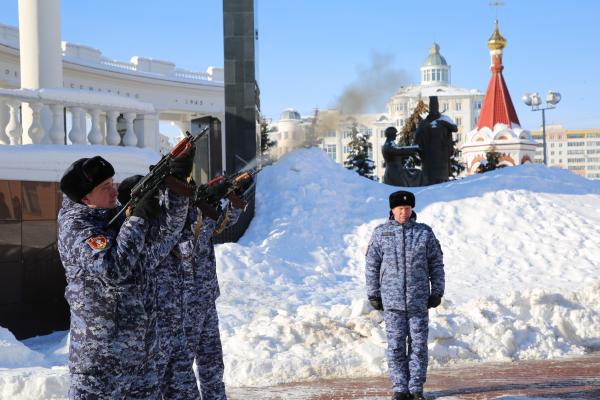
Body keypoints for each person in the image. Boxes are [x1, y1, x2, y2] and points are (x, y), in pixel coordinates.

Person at [57, 155, 191, 399]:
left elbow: (167, 233)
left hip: (142, 359)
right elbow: (113, 268)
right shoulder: (76, 227)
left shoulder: (117, 215)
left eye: (112, 182)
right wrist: (138, 218)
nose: (114, 190)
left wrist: (177, 187)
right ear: (86, 199)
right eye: (105, 187)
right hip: (102, 365)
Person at [365, 190, 445, 400]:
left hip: (418, 301)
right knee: (396, 346)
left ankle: (416, 387)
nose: (404, 212)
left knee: (418, 346)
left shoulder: (424, 233)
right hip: (392, 302)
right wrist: (373, 293)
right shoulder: (381, 233)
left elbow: (436, 264)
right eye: (400, 208)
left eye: (408, 208)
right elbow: (372, 265)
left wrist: (437, 291)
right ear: (392, 210)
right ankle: (400, 388)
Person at [413, 96, 457, 185]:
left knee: (442, 181)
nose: (434, 107)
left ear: (437, 106)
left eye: (435, 105)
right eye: (432, 106)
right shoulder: (424, 122)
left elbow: (455, 128)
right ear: (430, 107)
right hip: (429, 158)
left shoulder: (444, 119)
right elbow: (417, 138)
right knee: (429, 181)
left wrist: (442, 122)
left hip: (442, 157)